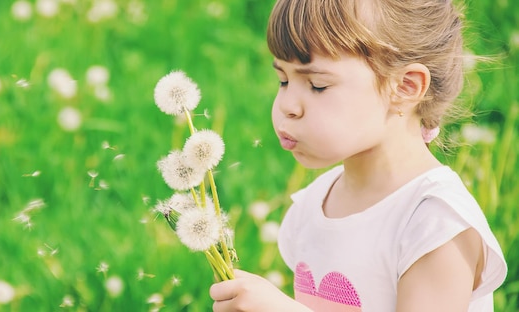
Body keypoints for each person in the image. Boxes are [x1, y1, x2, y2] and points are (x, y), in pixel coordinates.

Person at [209, 0, 508, 311]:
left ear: (405, 87)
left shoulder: (434, 225)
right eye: (283, 80)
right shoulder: (314, 205)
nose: (287, 105)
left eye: (317, 85)